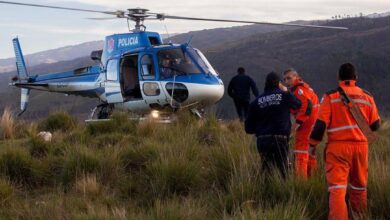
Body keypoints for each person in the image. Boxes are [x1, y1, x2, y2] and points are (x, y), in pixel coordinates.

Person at [309, 63, 381, 220]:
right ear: (356, 78)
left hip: (338, 149)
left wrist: (312, 145)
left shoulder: (331, 97)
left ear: (338, 78)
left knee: (337, 189)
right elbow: (375, 126)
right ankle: (360, 216)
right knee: (359, 187)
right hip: (361, 148)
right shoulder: (368, 97)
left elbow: (320, 126)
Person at [245, 72, 301, 178]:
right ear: (279, 83)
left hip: (263, 140)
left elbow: (248, 128)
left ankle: (265, 192)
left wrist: (260, 129)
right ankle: (283, 192)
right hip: (280, 140)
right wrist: (285, 91)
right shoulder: (285, 95)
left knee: (266, 171)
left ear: (265, 83)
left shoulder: (255, 102)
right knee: (283, 172)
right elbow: (298, 104)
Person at [283, 69, 319, 179]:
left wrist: (296, 125)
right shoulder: (303, 88)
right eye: (284, 79)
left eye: (289, 78)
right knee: (310, 153)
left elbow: (307, 106)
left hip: (307, 124)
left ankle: (301, 181)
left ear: (296, 77)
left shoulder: (299, 90)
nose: (286, 81)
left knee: (300, 152)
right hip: (315, 123)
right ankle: (312, 178)